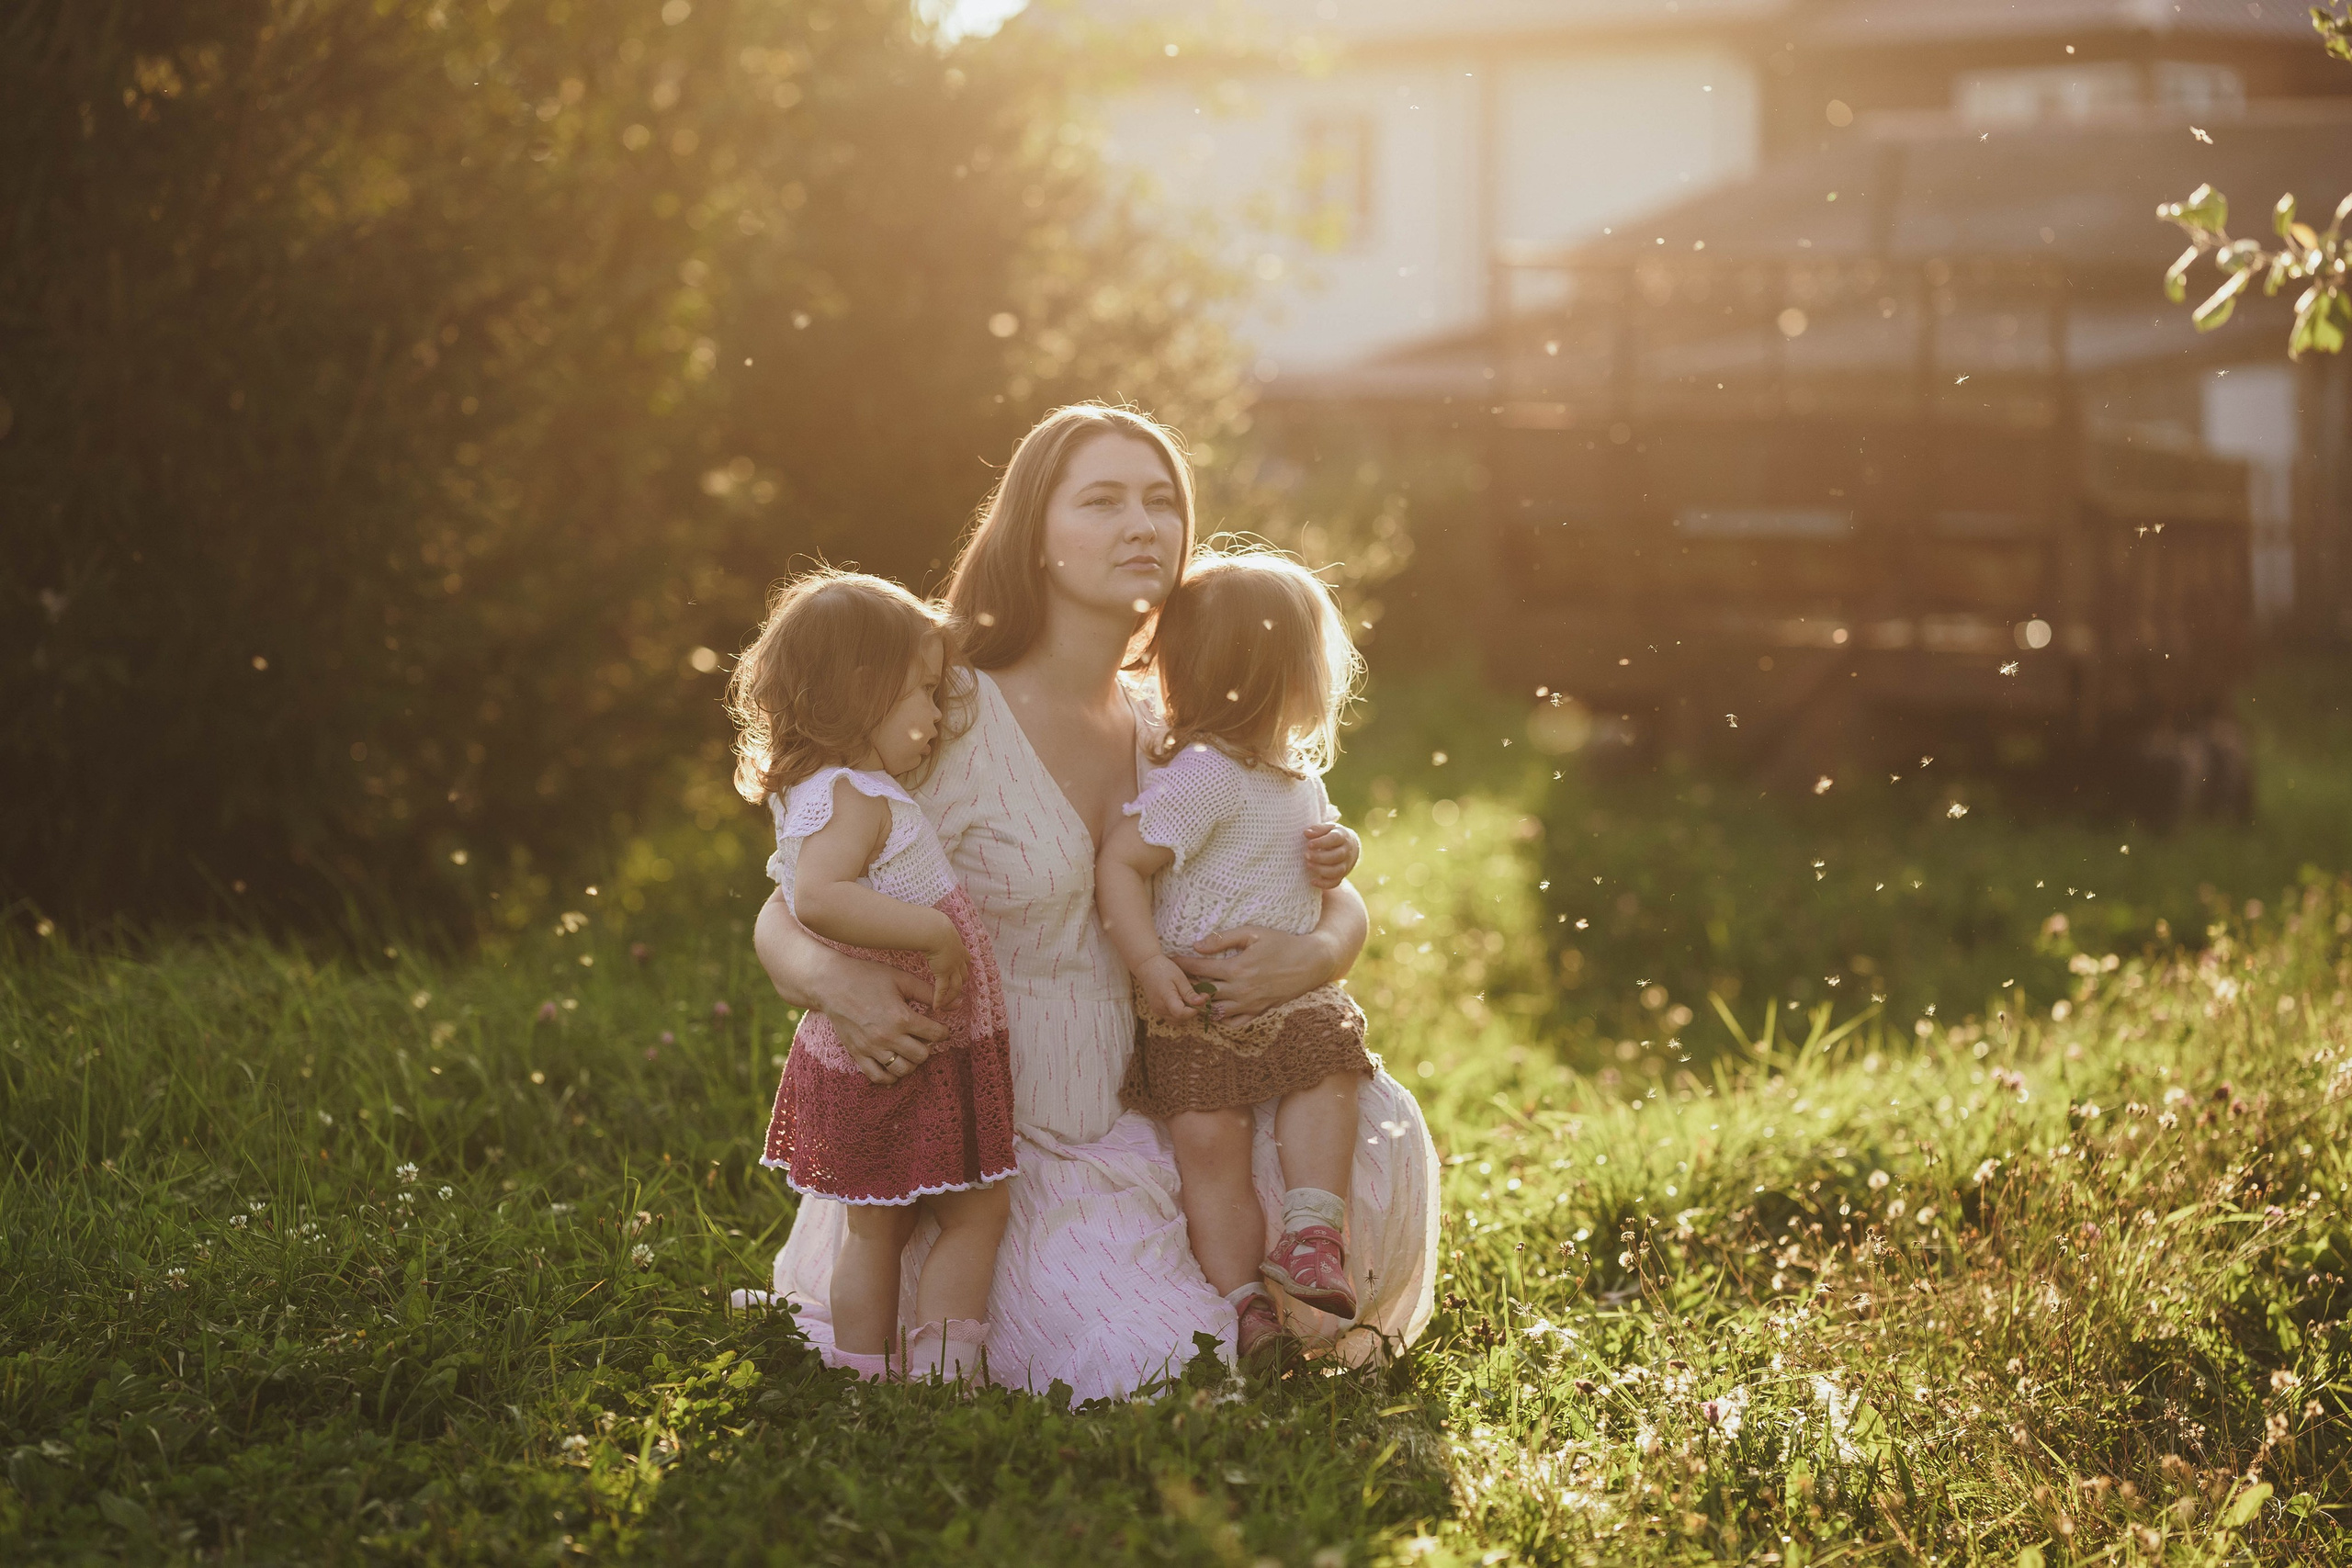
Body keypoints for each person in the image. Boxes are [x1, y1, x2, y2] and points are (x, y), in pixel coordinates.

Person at [743, 403, 1437, 1399]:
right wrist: (829, 982)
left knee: (1365, 1128)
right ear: (1034, 533)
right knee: (1163, 1370)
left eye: (1161, 501)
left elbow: (1308, 871)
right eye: (1102, 501)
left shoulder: (1174, 722)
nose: (1141, 525)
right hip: (986, 1135)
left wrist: (1322, 953)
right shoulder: (947, 708)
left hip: (1157, 1101)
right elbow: (792, 893)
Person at [727, 570, 1014, 1383]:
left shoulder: (829, 789)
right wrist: (930, 928)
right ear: (863, 689)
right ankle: (923, 1369)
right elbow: (815, 896)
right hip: (905, 1048)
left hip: (913, 1045)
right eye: (922, 692)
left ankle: (881, 1365)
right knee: (951, 1211)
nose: (934, 716)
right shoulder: (849, 792)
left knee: (888, 1221)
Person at [1095, 549, 1374, 1364]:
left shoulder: (1297, 780)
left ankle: (1312, 1231)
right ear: (1286, 678)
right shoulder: (1207, 776)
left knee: (1330, 1068)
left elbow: (1304, 864)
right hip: (1201, 1005)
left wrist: (1340, 852)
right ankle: (1243, 1306)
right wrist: (1150, 963)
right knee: (1208, 1152)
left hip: (1289, 1001)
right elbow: (1122, 859)